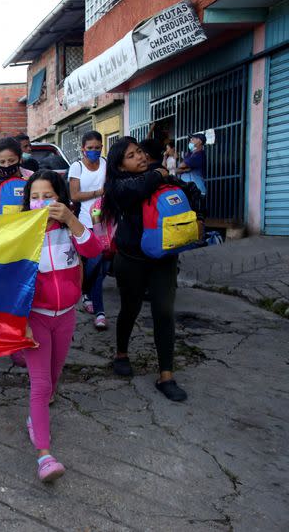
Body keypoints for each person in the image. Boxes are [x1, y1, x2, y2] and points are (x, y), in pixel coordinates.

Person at [18, 170, 101, 482]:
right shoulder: (22, 233)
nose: (41, 202)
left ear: (61, 198)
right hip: (36, 318)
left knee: (51, 383)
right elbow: (13, 284)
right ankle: (44, 455)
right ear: (27, 202)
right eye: (35, 197)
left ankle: (33, 420)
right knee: (40, 386)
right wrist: (22, 323)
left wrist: (71, 219)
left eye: (48, 196)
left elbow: (94, 251)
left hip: (66, 316)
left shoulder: (70, 227)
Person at [102, 137, 194, 402]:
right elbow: (139, 188)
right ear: (120, 166)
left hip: (164, 259)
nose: (140, 157)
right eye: (131, 156)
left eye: (140, 152)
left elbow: (192, 196)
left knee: (164, 311)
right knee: (129, 309)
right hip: (130, 260)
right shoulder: (119, 186)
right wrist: (158, 173)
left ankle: (166, 375)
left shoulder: (162, 179)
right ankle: (121, 353)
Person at [67, 131, 108, 329]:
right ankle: (99, 311)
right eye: (90, 148)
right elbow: (74, 195)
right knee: (95, 263)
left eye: (97, 147)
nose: (94, 151)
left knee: (102, 265)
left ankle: (87, 292)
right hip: (85, 222)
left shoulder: (106, 163)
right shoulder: (77, 167)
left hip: (105, 222)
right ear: (83, 148)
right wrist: (97, 193)